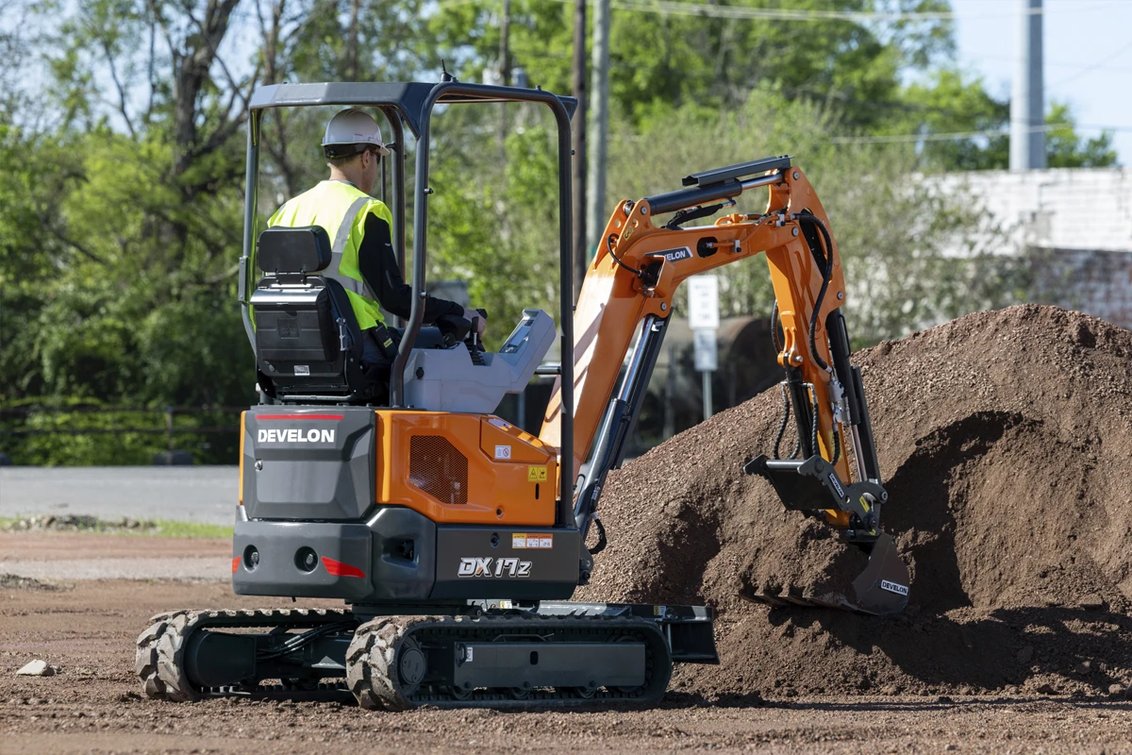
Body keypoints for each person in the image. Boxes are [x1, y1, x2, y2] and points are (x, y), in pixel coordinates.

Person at [268, 108, 484, 370]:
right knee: (449, 353)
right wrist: (458, 312)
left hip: (284, 349)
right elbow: (394, 298)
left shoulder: (287, 211)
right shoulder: (366, 210)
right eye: (378, 160)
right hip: (354, 347)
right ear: (367, 158)